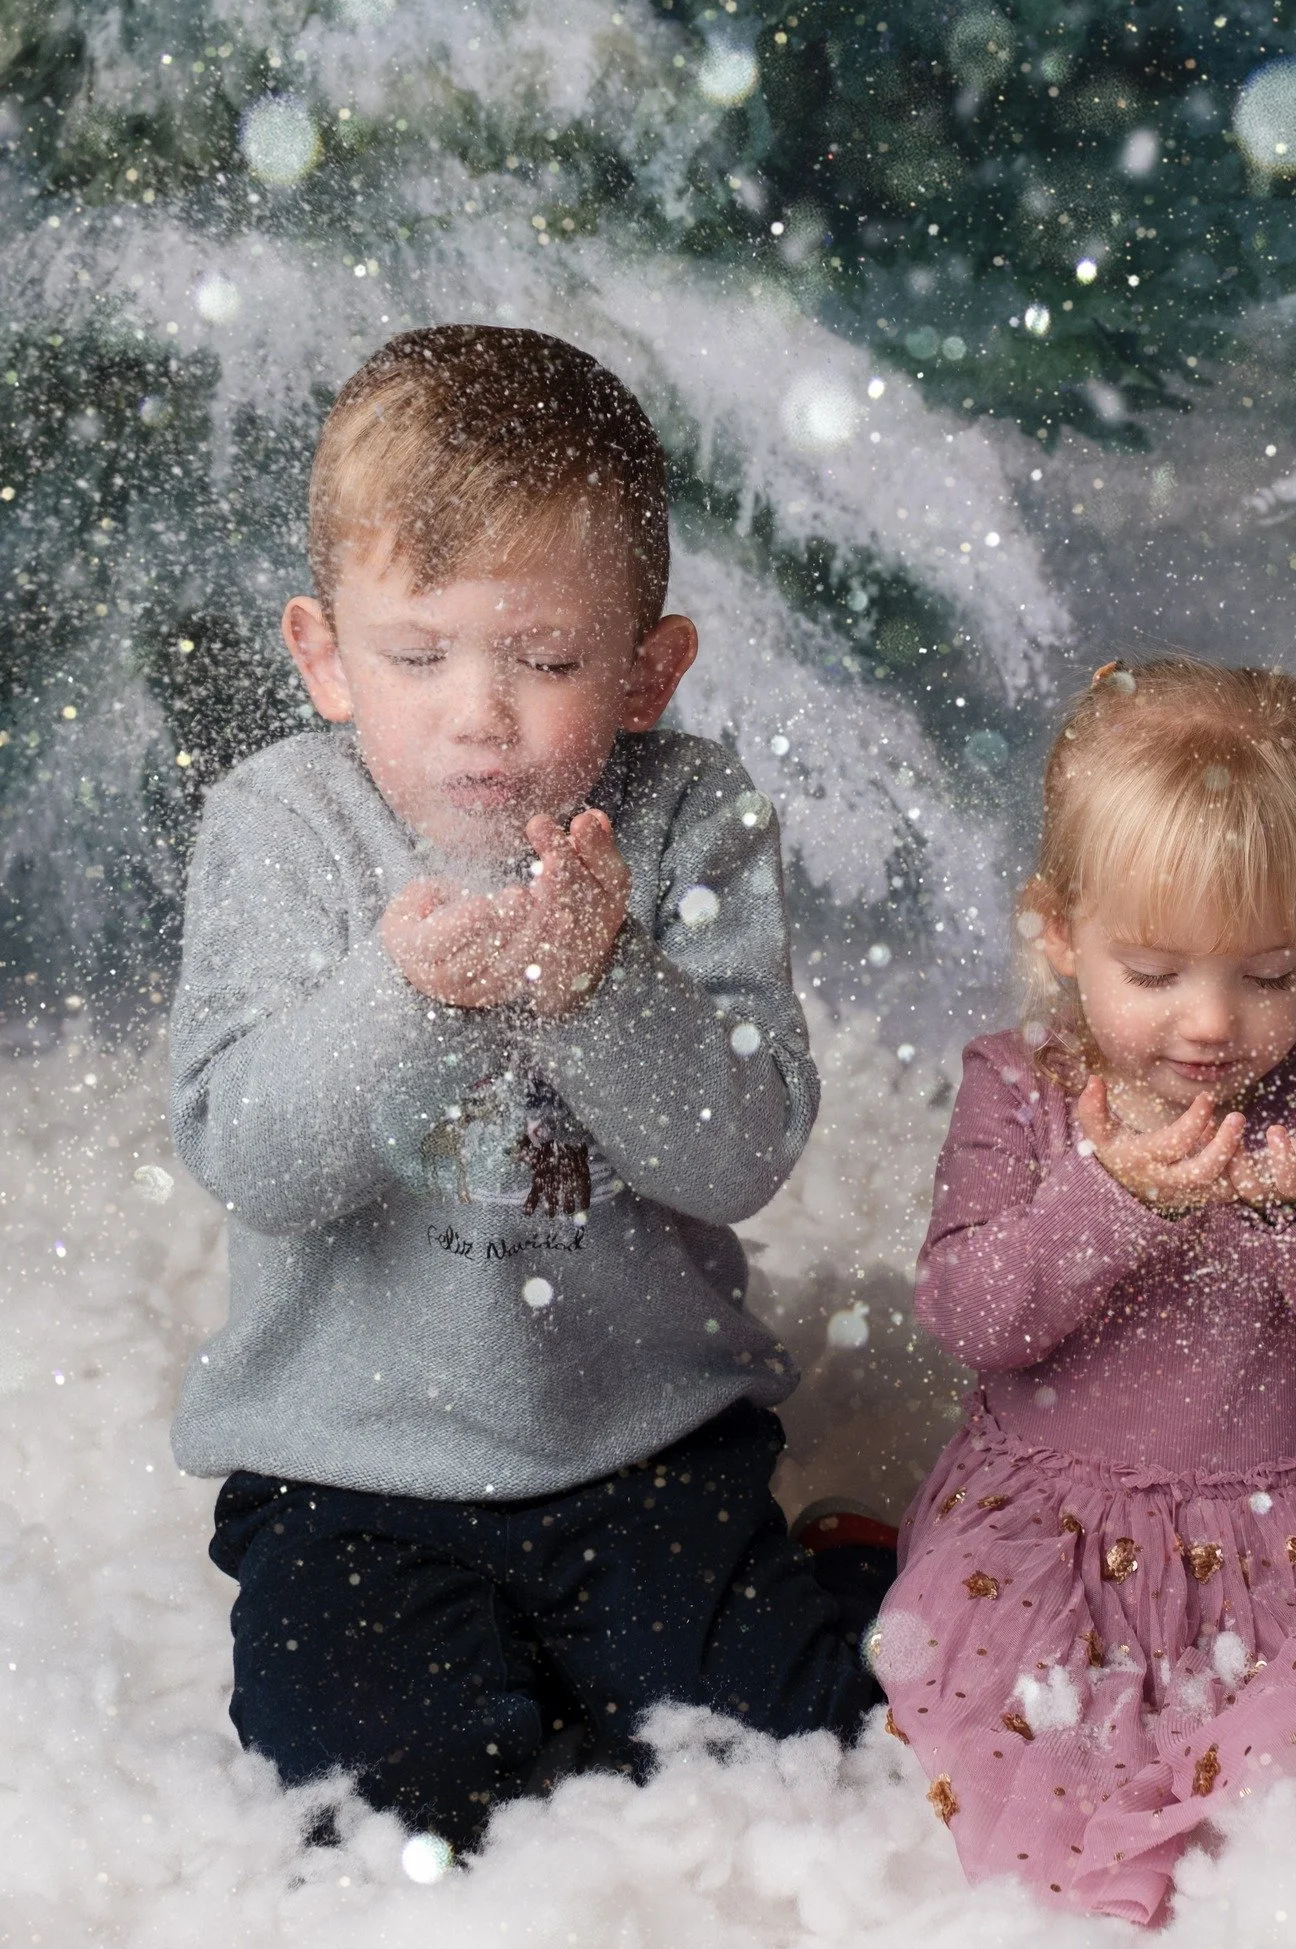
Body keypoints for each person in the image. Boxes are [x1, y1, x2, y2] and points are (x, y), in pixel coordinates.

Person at [169, 324, 892, 1851]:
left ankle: (823, 1571)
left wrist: (595, 985)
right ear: (322, 656)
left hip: (643, 1446)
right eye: (417, 655)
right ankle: (487, 1682)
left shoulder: (688, 813)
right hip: (347, 1474)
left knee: (793, 1756)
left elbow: (735, 1156)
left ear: (647, 669)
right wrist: (408, 1001)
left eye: (546, 660)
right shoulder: (279, 826)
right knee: (381, 1814)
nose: (478, 713)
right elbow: (254, 1157)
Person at [870, 657, 1296, 1924]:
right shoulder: (1023, 1087)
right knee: (1037, 1744)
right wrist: (1106, 1206)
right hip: (1061, 1536)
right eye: (1156, 970)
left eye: (1268, 974)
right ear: (1058, 930)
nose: (1212, 1021)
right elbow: (967, 1311)